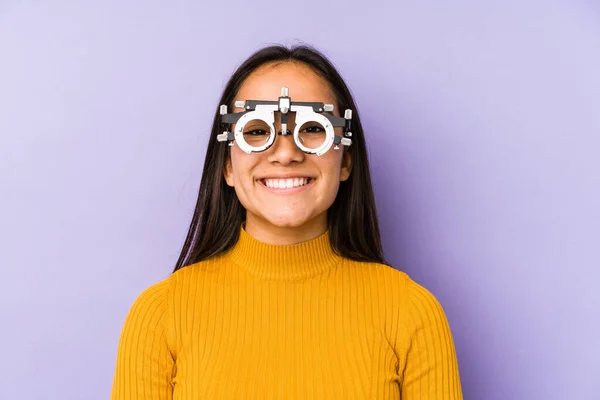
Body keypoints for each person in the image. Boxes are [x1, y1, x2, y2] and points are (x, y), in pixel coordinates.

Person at [110, 44, 463, 399]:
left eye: (312, 128)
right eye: (257, 131)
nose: (286, 153)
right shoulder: (159, 315)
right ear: (228, 166)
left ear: (344, 162)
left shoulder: (412, 313)